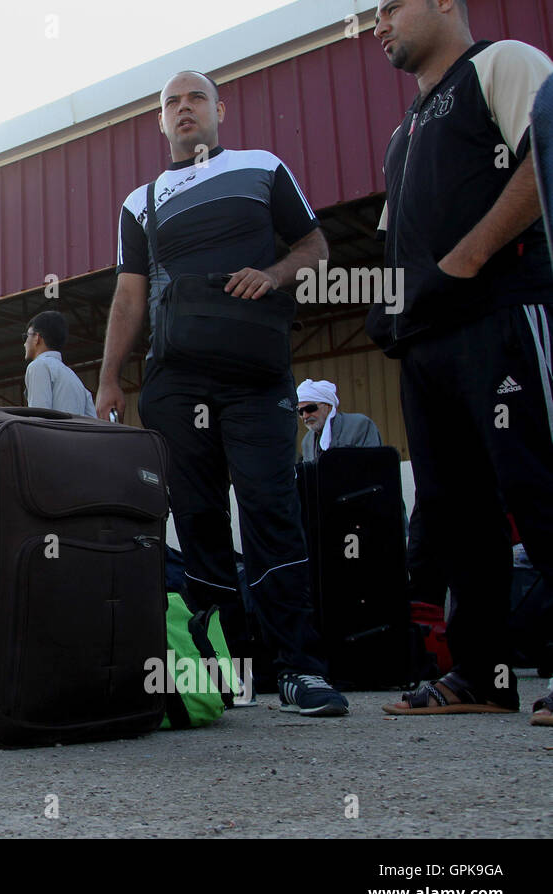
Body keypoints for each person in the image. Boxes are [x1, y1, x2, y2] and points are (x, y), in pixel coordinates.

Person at [94, 69, 348, 716]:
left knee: (271, 509)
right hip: (175, 381)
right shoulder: (139, 201)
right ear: (160, 122)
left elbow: (315, 244)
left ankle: (300, 669)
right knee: (199, 520)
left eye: (195, 98)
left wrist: (274, 273)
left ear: (219, 110)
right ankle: (224, 672)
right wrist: (108, 378)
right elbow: (129, 295)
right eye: (171, 103)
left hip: (257, 376)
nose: (184, 109)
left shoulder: (264, 167)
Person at [367, 0, 553, 719]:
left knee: (536, 479)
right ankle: (482, 674)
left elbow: (547, 158)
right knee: (454, 512)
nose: (377, 24)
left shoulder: (502, 64)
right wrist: (390, 312)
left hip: (502, 316)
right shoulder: (402, 133)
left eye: (391, 6)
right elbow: (396, 241)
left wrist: (470, 256)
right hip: (428, 345)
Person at [23, 310, 97, 417]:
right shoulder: (75, 379)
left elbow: (38, 419)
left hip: (51, 434)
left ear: (37, 338)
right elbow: (92, 422)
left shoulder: (38, 366)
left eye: (26, 336)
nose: (25, 343)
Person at [295, 378, 383, 463]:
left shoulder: (359, 425)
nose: (305, 416)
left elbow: (373, 466)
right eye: (300, 411)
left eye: (310, 408)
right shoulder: (307, 441)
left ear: (328, 406)